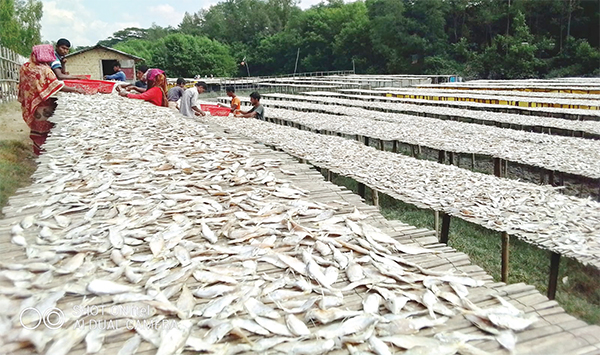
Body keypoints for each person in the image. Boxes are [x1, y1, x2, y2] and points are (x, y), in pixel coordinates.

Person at [18, 44, 87, 155]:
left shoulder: (25, 67)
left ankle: (37, 150)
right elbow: (56, 85)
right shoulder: (45, 70)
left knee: (36, 127)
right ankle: (44, 155)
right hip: (44, 103)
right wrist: (75, 89)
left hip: (31, 102)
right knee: (44, 129)